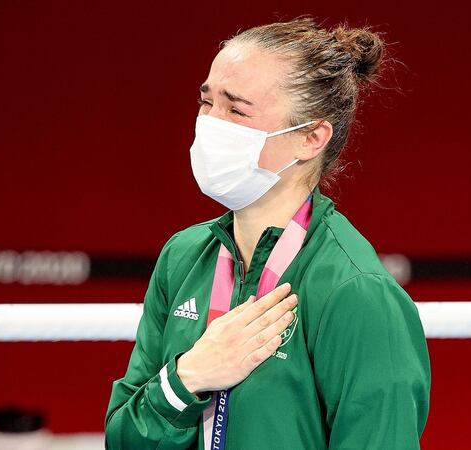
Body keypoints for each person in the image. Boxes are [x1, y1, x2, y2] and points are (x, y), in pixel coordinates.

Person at [104, 17, 430, 450]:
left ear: (311, 137)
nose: (211, 124)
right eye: (207, 102)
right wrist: (188, 377)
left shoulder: (355, 290)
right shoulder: (181, 256)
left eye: (236, 110)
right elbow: (123, 441)